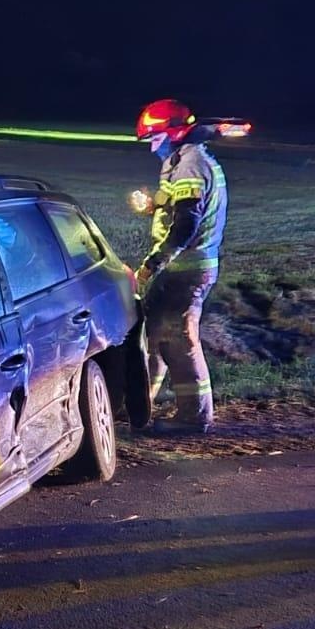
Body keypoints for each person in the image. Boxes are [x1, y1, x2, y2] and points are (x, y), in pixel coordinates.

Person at [133, 99, 228, 434]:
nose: (152, 148)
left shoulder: (190, 166)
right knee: (157, 336)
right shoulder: (185, 161)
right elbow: (180, 207)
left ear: (173, 134)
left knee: (179, 340)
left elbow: (187, 224)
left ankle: (194, 417)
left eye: (155, 140)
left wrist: (152, 264)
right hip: (181, 269)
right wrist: (153, 206)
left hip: (186, 270)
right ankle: (138, 406)